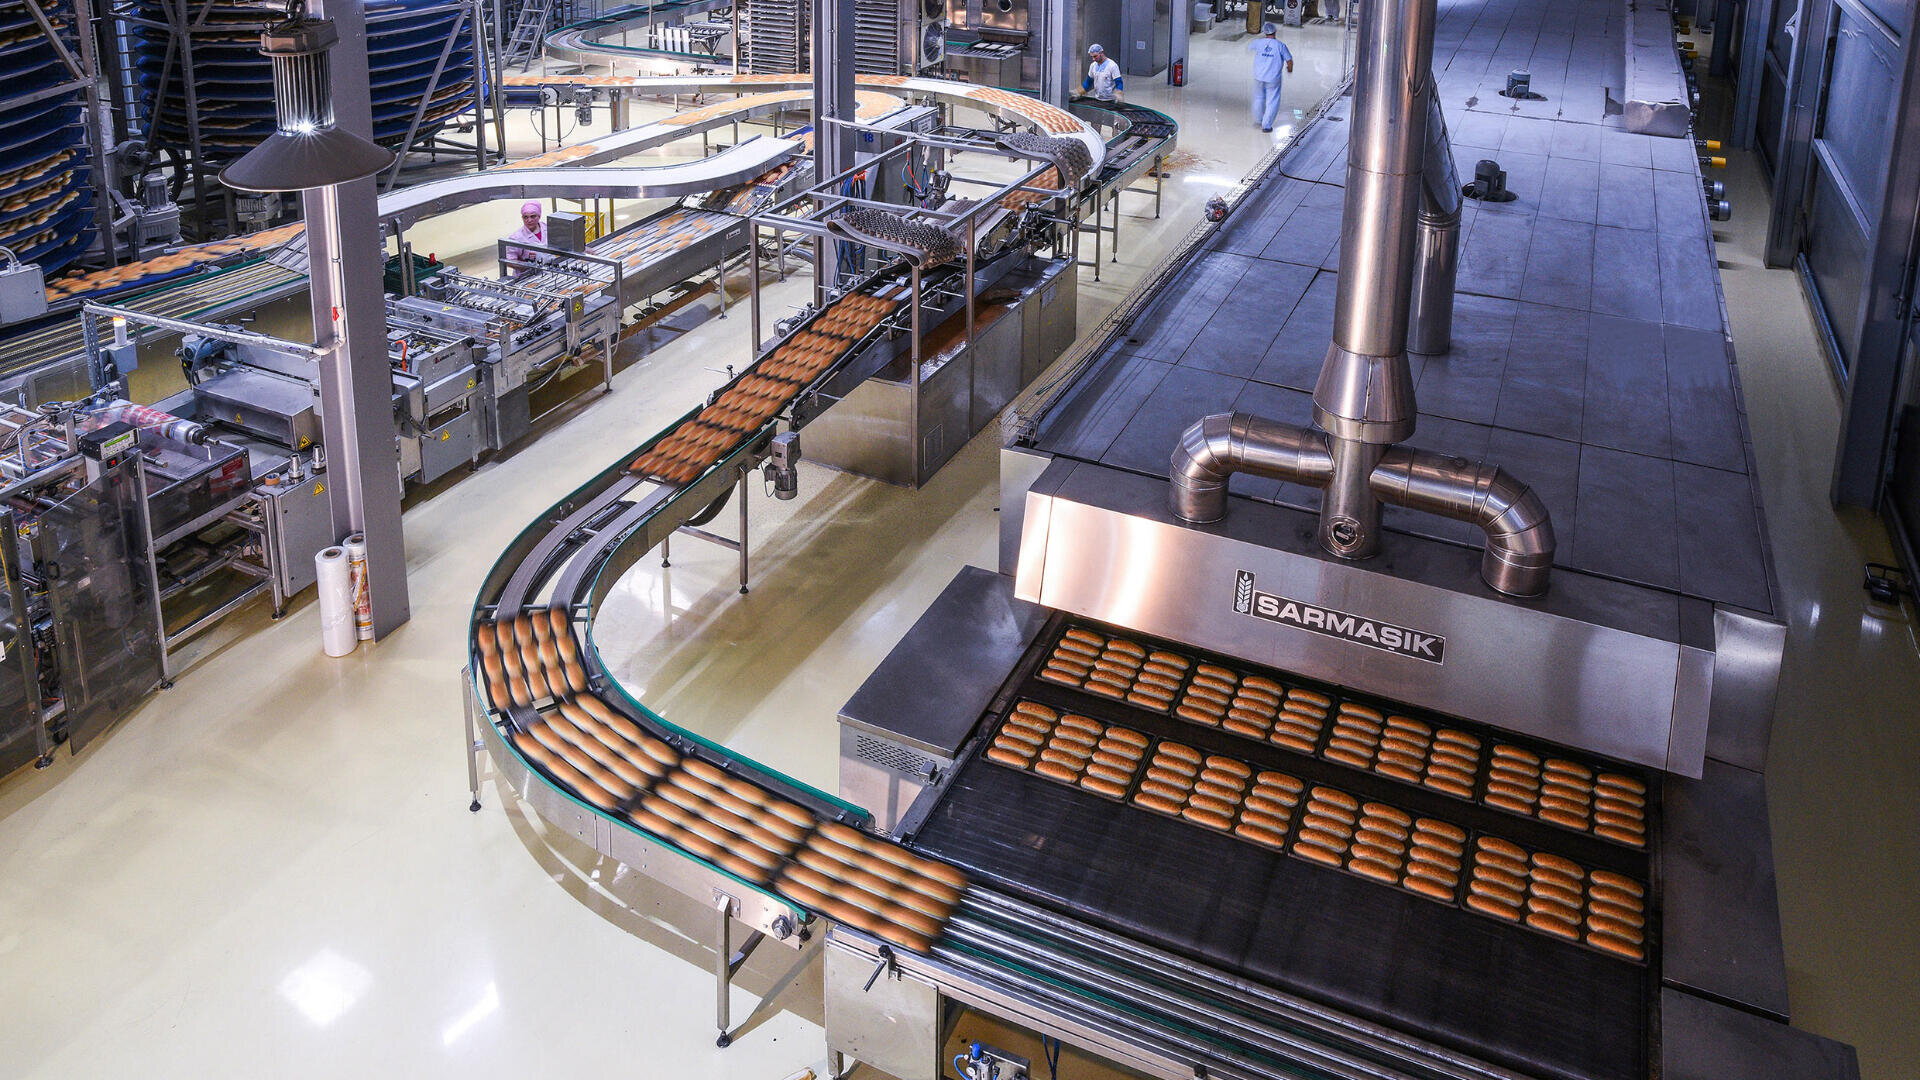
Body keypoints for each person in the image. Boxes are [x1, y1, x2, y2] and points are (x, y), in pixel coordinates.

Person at [1248, 22, 1294, 132]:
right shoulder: (1280, 45)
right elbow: (1289, 61)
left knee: (1258, 98)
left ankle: (1258, 120)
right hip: (1273, 78)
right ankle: (1266, 125)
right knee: (1272, 100)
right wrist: (1289, 69)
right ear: (1275, 31)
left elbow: (1250, 47)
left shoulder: (1258, 43)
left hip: (1259, 76)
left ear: (1264, 32)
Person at [504, 201, 550, 276]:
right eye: (525, 217)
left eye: (533, 216)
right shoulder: (516, 238)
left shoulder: (548, 228)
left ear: (539, 216)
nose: (529, 220)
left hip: (548, 272)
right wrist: (528, 267)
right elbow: (509, 261)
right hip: (527, 276)